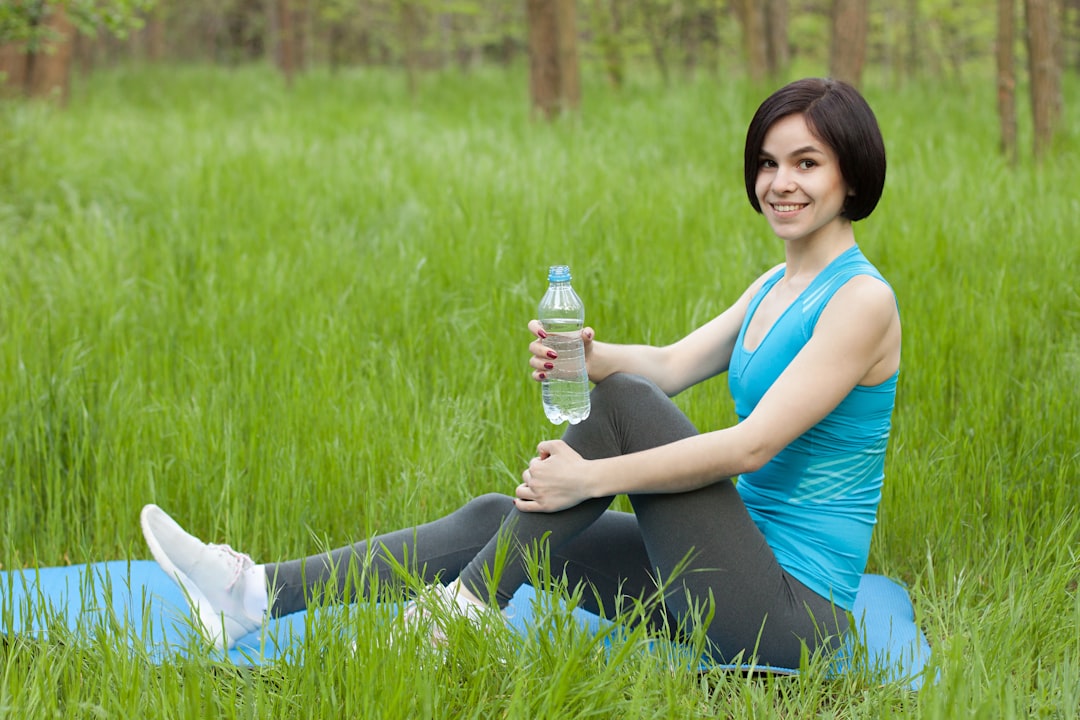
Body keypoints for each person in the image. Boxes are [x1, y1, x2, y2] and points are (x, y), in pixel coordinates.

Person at [141, 77, 899, 669]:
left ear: (852, 177)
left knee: (619, 408)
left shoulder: (861, 301)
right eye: (768, 163)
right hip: (722, 571)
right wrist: (591, 358)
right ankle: (255, 594)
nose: (780, 182)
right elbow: (671, 365)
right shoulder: (776, 284)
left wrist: (593, 480)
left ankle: (456, 613)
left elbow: (749, 449)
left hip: (790, 619)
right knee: (492, 519)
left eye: (806, 163)